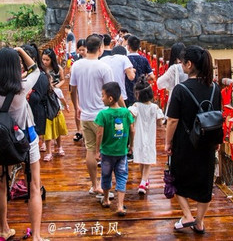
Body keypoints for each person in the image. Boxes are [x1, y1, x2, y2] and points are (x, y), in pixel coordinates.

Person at [0, 47, 48, 241]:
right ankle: (36, 236)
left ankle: (4, 228)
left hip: (1, 141)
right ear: (15, 66)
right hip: (25, 140)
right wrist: (21, 50)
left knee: (1, 181)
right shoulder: (21, 87)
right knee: (34, 185)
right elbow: (36, 69)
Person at [164, 46, 222, 234]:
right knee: (205, 181)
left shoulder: (180, 89)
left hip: (184, 141)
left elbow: (172, 120)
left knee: (178, 178)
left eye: (182, 63)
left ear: (189, 64)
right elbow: (218, 115)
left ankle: (187, 215)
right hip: (208, 141)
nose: (181, 65)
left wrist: (167, 142)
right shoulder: (215, 88)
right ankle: (200, 221)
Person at [69, 34, 115, 195]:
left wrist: (76, 106)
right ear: (101, 48)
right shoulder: (104, 67)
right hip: (103, 115)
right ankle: (105, 186)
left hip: (86, 115)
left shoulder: (76, 66)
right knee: (107, 151)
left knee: (90, 150)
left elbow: (72, 90)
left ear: (86, 47)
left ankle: (95, 185)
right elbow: (112, 94)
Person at [94, 81, 134, 216]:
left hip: (106, 152)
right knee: (122, 176)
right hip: (122, 152)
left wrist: (96, 150)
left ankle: (106, 199)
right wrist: (131, 145)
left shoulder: (103, 115)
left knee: (106, 175)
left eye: (103, 95)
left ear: (110, 98)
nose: (102, 98)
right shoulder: (126, 112)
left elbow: (99, 133)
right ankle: (120, 205)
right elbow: (132, 130)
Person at [129, 76, 164, 195]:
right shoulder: (154, 107)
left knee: (141, 158)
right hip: (150, 135)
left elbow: (131, 117)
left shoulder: (136, 106)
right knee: (147, 158)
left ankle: (143, 180)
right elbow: (160, 122)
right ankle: (144, 180)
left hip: (139, 135)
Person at [41, 48, 69, 160]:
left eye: (47, 60)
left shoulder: (58, 69)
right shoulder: (41, 70)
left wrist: (56, 86)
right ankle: (45, 143)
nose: (44, 62)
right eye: (43, 59)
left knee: (57, 124)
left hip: (55, 97)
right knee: (46, 123)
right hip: (45, 98)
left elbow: (62, 80)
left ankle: (58, 146)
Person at [156, 42, 188, 116]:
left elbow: (159, 83)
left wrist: (169, 87)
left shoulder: (174, 68)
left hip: (176, 100)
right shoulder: (190, 65)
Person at [125, 35, 154, 107]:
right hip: (142, 92)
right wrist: (144, 78)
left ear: (128, 47)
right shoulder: (144, 59)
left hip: (128, 93)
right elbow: (152, 76)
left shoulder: (125, 59)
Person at [71, 38, 88, 142]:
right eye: (79, 50)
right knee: (77, 108)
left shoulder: (91, 59)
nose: (81, 52)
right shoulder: (75, 58)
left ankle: (86, 130)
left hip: (87, 85)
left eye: (83, 49)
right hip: (77, 85)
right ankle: (79, 130)